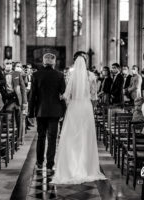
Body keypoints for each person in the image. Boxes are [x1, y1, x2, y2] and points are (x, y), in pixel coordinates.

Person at [51, 52, 106, 184]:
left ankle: (70, 166)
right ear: (86, 63)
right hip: (86, 107)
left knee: (71, 136)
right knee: (86, 136)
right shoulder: (92, 76)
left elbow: (66, 95)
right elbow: (94, 96)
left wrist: (65, 101)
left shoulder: (71, 76)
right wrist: (91, 106)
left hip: (74, 107)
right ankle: (86, 167)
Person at [28, 53, 66, 172]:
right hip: (55, 111)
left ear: (43, 62)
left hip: (40, 110)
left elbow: (32, 96)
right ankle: (50, 164)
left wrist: (30, 113)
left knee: (41, 137)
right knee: (52, 138)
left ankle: (39, 162)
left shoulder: (36, 75)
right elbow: (63, 94)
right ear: (54, 62)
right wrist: (63, 111)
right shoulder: (59, 75)